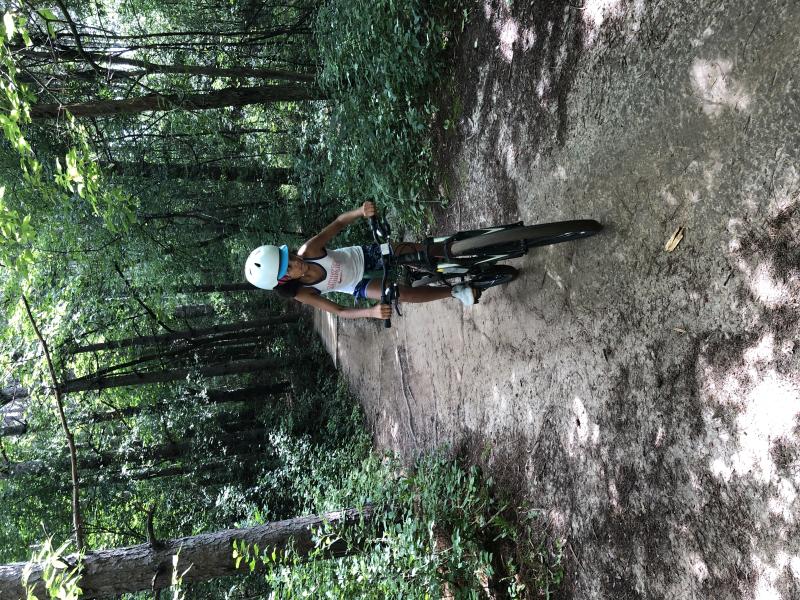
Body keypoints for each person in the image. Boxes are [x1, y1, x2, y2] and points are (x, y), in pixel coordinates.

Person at [244, 202, 478, 319]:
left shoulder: (310, 249)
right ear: (284, 281)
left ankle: (466, 248)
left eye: (290, 257)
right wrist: (371, 312)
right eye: (289, 268)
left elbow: (338, 223)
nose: (296, 263)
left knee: (420, 251)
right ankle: (454, 291)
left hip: (364, 255)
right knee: (399, 294)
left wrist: (360, 212)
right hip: (356, 284)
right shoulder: (302, 293)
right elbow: (339, 310)